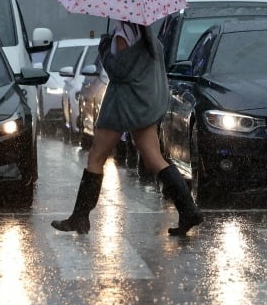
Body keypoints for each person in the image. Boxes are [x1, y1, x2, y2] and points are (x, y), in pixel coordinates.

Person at [52, 18, 203, 236]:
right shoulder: (144, 33)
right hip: (140, 103)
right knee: (153, 158)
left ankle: (79, 217)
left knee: (96, 156)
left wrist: (104, 49)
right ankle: (188, 210)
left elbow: (119, 71)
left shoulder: (124, 33)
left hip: (122, 105)